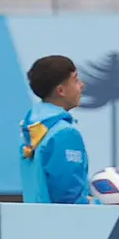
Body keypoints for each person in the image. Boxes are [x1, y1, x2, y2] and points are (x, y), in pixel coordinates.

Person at [19, 55, 90, 205]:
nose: (81, 85)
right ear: (61, 90)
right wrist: (106, 205)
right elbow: (69, 199)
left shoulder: (32, 128)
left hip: (35, 223)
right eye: (75, 80)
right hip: (64, 225)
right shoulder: (64, 133)